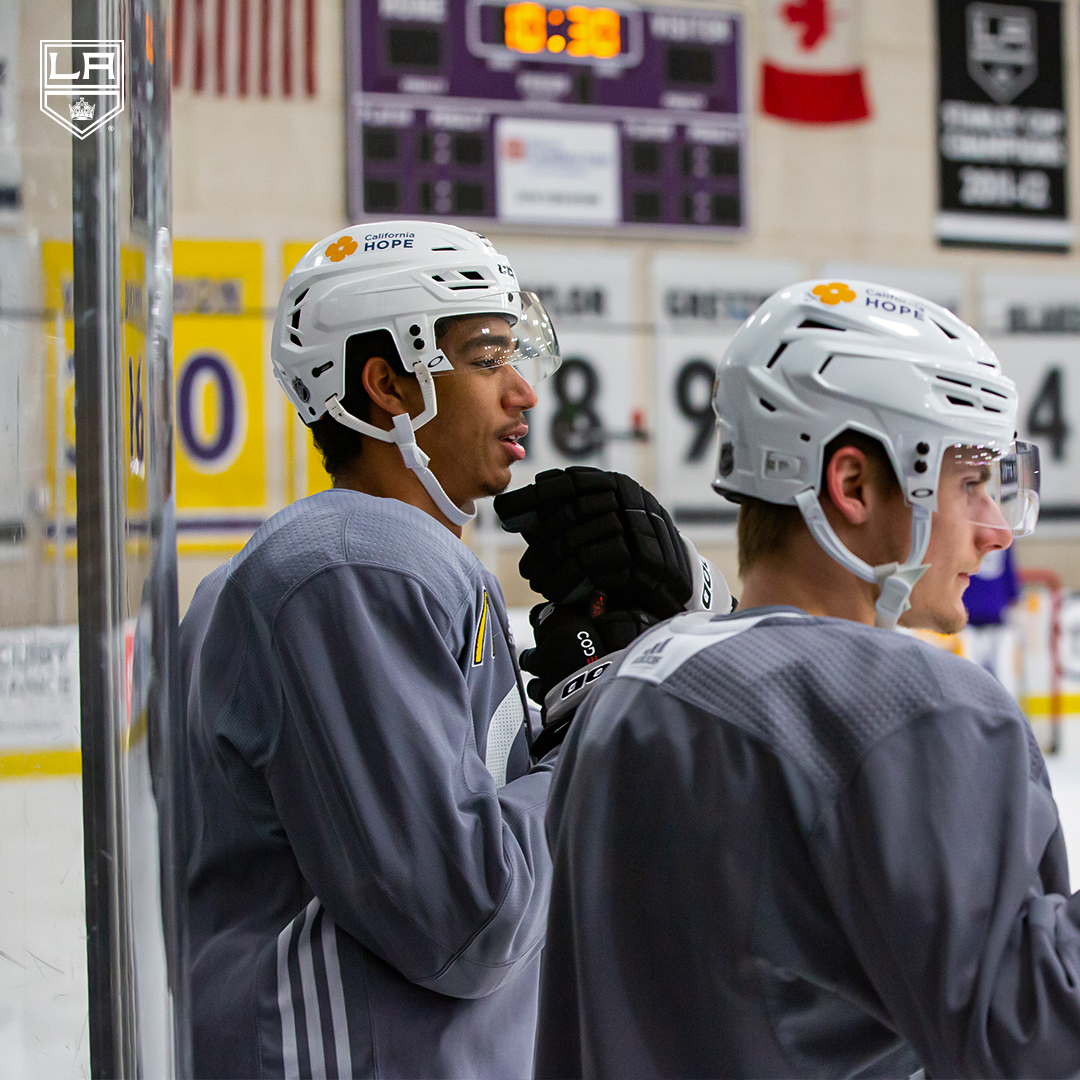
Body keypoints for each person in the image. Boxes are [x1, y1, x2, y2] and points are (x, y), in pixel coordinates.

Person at [531, 280, 1079, 1079]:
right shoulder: (920, 709)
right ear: (852, 485)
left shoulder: (628, 689)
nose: (996, 528)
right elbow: (1032, 1037)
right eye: (968, 483)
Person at [179, 222, 568, 1080]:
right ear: (387, 384)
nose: (522, 392)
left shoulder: (363, 560)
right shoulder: (354, 564)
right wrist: (588, 750)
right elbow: (469, 922)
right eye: (485, 356)